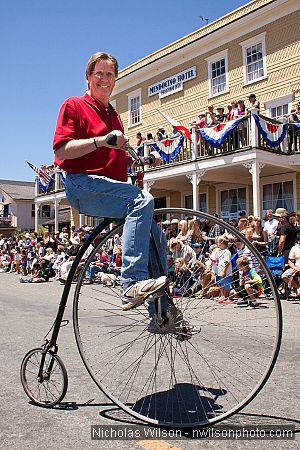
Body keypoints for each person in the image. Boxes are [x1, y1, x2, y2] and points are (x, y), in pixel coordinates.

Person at [52, 52, 168, 311]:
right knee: (142, 200)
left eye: (110, 75)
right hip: (82, 185)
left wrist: (144, 159)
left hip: (111, 189)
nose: (104, 79)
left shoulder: (114, 116)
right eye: (99, 74)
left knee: (157, 240)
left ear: (115, 80)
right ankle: (130, 284)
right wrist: (102, 140)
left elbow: (111, 161)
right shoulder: (74, 105)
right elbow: (61, 151)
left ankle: (163, 313)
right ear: (88, 77)